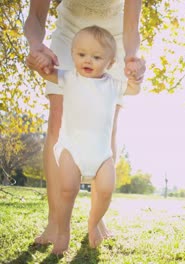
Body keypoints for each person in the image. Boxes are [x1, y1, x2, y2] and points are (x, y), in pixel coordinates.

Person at [23, 0, 144, 247]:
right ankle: (56, 221)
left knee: (107, 122)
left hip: (116, 33)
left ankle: (97, 218)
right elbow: (36, 14)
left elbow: (132, 24)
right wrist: (36, 47)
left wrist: (132, 57)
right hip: (71, 31)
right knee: (59, 119)